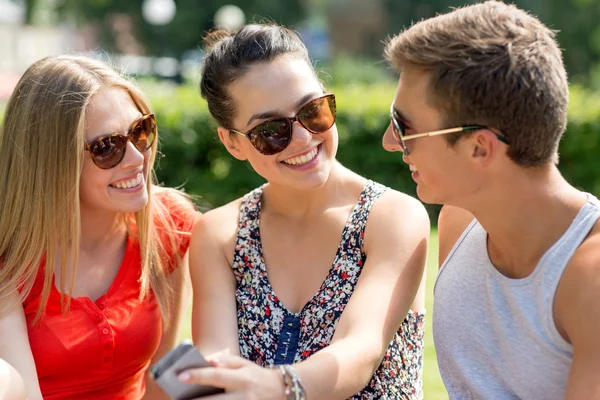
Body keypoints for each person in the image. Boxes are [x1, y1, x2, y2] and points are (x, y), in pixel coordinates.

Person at [184, 24, 429, 399]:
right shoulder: (219, 235)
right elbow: (218, 371)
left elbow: (359, 353)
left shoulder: (392, 218)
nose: (302, 139)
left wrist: (273, 386)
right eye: (270, 130)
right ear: (232, 143)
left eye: (311, 110)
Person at [382, 1, 600, 399]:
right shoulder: (458, 222)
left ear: (480, 148)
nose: (388, 141)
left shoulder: (590, 277)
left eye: (403, 126)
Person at [0, 55, 198, 400]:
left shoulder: (167, 223)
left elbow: (162, 375)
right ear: (52, 163)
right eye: (106, 148)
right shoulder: (11, 255)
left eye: (140, 131)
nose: (137, 159)